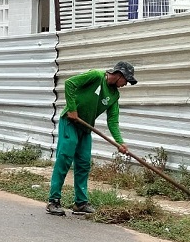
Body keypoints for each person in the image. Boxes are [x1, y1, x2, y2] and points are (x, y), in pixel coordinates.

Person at [46, 61, 137, 216]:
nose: (125, 84)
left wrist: (119, 142)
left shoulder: (114, 95)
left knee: (83, 163)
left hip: (86, 128)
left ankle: (80, 203)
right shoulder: (96, 76)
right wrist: (72, 108)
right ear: (119, 75)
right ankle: (53, 200)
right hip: (70, 122)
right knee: (65, 158)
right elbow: (70, 84)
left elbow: (113, 121)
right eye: (126, 80)